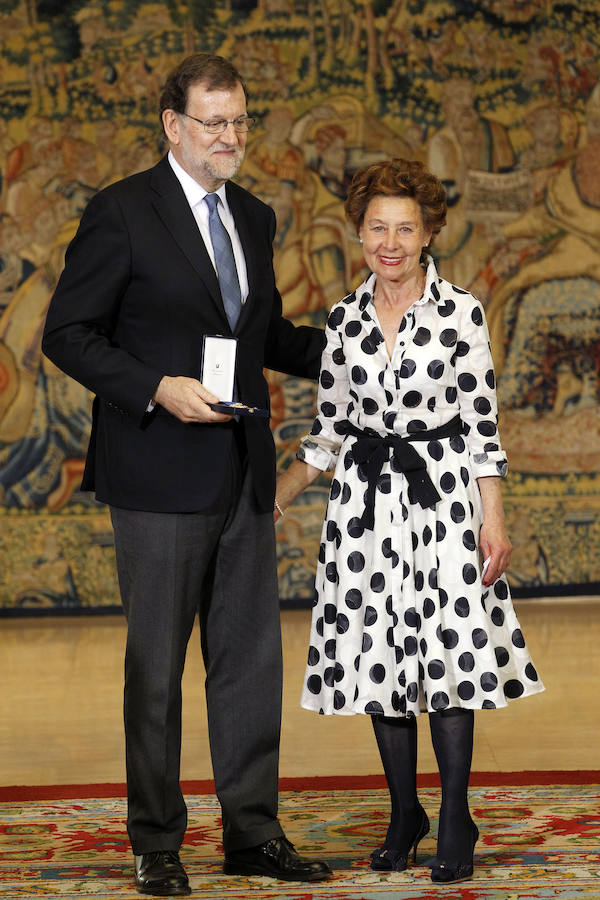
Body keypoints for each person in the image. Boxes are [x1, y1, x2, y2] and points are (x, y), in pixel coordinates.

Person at [42, 53, 331, 895]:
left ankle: (252, 834)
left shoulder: (256, 214)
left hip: (242, 474)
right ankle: (156, 841)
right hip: (156, 477)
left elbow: (263, 335)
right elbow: (68, 332)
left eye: (241, 121)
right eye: (215, 123)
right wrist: (154, 388)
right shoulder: (122, 212)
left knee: (248, 667)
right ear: (173, 126)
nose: (231, 137)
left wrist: (357, 344)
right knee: (157, 669)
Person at [274, 158, 544, 884]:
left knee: (451, 661)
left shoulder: (461, 312)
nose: (388, 243)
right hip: (365, 513)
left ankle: (455, 813)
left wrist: (494, 517)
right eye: (376, 228)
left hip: (446, 502)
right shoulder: (342, 319)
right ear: (359, 233)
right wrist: (286, 486)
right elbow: (330, 430)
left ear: (428, 234)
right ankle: (405, 811)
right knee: (382, 662)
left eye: (404, 229)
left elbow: (482, 427)